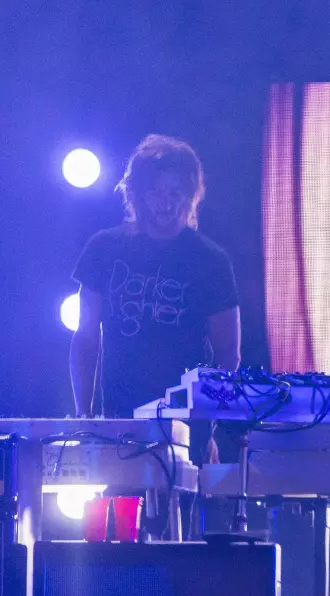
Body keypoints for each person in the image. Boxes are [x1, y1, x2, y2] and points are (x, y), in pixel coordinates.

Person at [69, 134, 241, 421]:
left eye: (175, 193)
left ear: (190, 197)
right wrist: (82, 415)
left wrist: (207, 422)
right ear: (138, 195)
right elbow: (85, 338)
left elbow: (228, 354)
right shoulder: (104, 249)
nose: (166, 203)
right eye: (157, 193)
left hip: (187, 426)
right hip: (119, 419)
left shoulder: (211, 261)